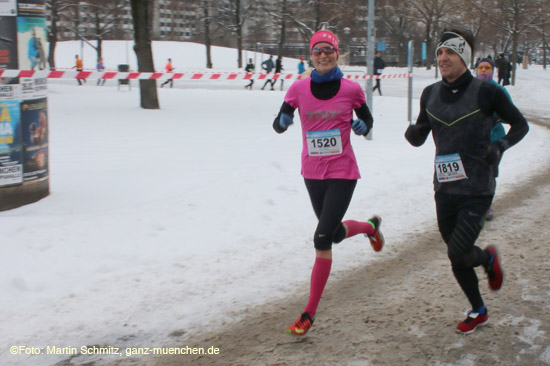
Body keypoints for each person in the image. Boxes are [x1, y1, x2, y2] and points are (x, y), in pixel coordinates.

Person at [404, 29, 529, 334]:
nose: (442, 58)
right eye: (439, 53)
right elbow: (422, 131)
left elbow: (520, 125)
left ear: (464, 56)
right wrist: (414, 134)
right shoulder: (430, 93)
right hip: (444, 187)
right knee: (457, 255)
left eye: (449, 52)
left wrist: (500, 146)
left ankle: (487, 258)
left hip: (477, 187)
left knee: (458, 250)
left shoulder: (487, 92)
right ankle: (479, 309)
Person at [272, 30, 384, 337]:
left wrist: (363, 126)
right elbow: (279, 122)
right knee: (333, 233)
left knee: (321, 239)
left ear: (337, 53)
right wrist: (282, 122)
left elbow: (368, 121)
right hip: (312, 173)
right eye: (318, 50)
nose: (323, 54)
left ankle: (309, 313)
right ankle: (370, 228)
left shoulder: (351, 89)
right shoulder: (297, 89)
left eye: (329, 49)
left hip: (343, 172)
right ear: (311, 56)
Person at [475, 57, 510, 220]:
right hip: (472, 139)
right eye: (480, 67)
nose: (483, 70)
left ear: (493, 71)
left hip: (494, 139)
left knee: (489, 174)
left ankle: (487, 205)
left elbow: (511, 114)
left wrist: (497, 118)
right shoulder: (470, 89)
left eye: (487, 68)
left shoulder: (499, 91)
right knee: (472, 173)